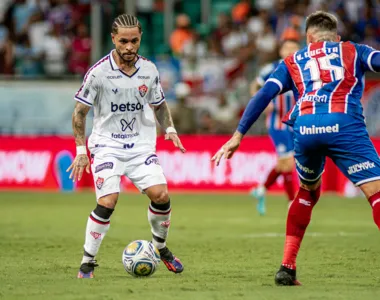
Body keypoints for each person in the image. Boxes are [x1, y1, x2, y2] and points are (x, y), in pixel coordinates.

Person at [212, 11, 380, 286]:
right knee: (376, 193)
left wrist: (237, 135)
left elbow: (263, 94)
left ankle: (287, 267)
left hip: (305, 128)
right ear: (336, 37)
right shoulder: (353, 50)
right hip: (344, 124)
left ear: (308, 38)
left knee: (307, 192)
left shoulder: (292, 61)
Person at [67, 14, 185, 279]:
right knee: (108, 200)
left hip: (141, 147)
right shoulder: (98, 73)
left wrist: (170, 129)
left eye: (134, 41)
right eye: (123, 41)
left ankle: (161, 248)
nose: (129, 46)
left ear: (140, 38)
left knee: (162, 196)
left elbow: (159, 104)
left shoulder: (150, 70)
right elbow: (79, 113)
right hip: (107, 146)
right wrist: (81, 151)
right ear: (113, 39)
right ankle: (88, 262)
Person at [250, 39, 300, 215]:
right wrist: (260, 101)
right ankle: (291, 202)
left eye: (294, 48)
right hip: (277, 122)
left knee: (284, 162)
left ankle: (261, 189)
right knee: (287, 162)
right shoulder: (271, 67)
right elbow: (255, 84)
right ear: (280, 51)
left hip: (294, 122)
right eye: (287, 48)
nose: (290, 50)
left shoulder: (302, 66)